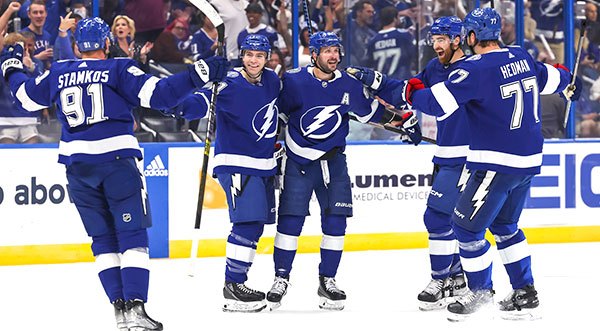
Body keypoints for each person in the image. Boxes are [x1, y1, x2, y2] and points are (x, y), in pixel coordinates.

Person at [0, 17, 228, 330]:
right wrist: (198, 74)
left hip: (77, 167)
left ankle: (120, 313)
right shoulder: (118, 68)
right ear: (107, 44)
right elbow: (160, 96)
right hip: (117, 161)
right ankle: (135, 308)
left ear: (78, 47)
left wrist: (10, 66)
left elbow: (24, 96)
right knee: (132, 235)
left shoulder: (59, 71)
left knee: (102, 238)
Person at [394, 8, 581, 321]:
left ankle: (480, 290)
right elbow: (554, 76)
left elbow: (436, 103)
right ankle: (525, 291)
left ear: (470, 36)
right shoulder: (520, 55)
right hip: (529, 160)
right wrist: (567, 82)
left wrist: (411, 91)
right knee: (505, 226)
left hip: (496, 162)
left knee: (465, 227)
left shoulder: (475, 68)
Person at [266, 31, 422, 311]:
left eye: (336, 50)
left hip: (334, 160)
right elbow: (278, 114)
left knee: (336, 223)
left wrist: (403, 122)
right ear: (313, 54)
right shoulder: (293, 80)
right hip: (298, 162)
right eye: (326, 50)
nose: (334, 56)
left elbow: (372, 113)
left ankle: (328, 281)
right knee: (290, 223)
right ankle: (280, 278)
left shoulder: (348, 83)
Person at [353, 15, 470, 311]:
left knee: (437, 218)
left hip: (467, 157)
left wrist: (394, 93)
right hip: (446, 154)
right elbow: (410, 91)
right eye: (434, 39)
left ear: (458, 40)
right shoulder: (434, 67)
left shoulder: (471, 71)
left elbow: (430, 100)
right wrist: (408, 115)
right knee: (449, 220)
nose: (436, 45)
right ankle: (456, 277)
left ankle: (441, 278)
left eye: (441, 39)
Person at [175, 34, 280, 313]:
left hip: (263, 164)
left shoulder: (272, 81)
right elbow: (200, 102)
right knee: (246, 223)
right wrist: (179, 106)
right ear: (241, 55)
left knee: (255, 224)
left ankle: (237, 282)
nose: (253, 60)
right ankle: (233, 285)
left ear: (267, 58)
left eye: (259, 55)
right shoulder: (228, 82)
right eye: (249, 54)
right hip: (236, 163)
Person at [366, 6, 415, 80]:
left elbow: (369, 64)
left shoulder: (373, 40)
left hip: (381, 85)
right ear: (395, 19)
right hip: (401, 83)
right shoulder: (404, 36)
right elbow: (415, 57)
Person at [21, 0, 53, 68]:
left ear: (46, 14)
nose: (39, 16)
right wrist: (38, 57)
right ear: (29, 14)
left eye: (41, 12)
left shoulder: (48, 36)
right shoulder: (21, 35)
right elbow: (18, 61)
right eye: (35, 13)